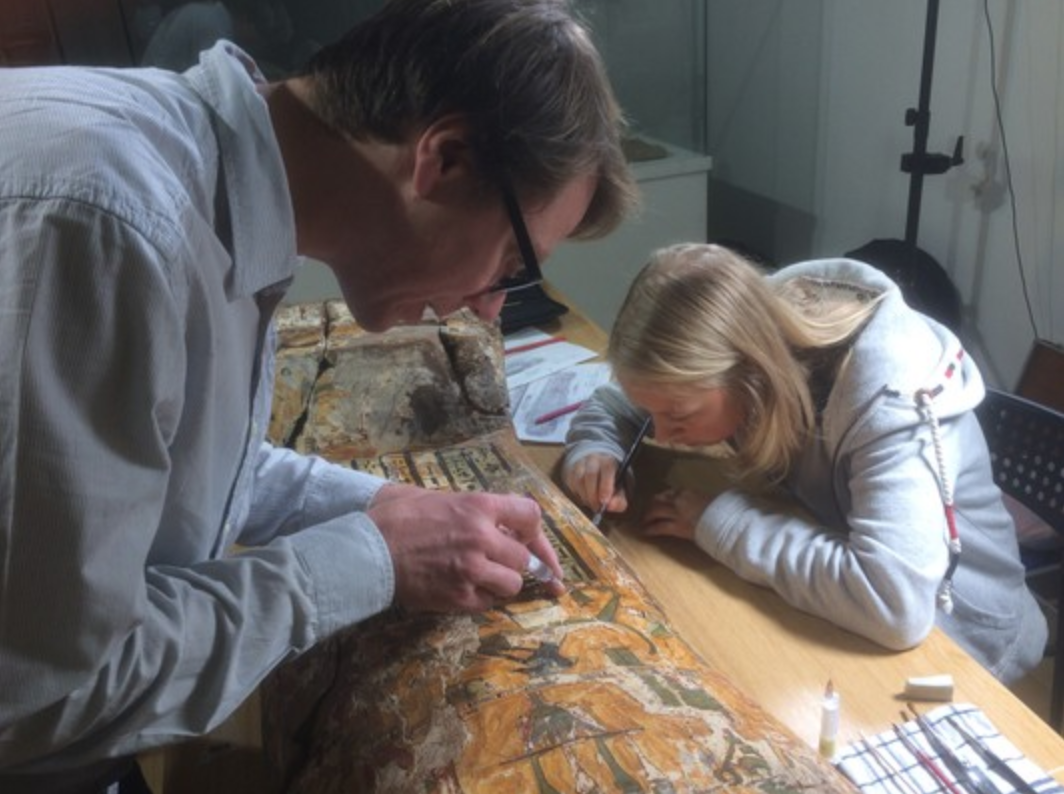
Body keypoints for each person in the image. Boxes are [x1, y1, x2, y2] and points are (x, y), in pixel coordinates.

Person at [0, 0, 637, 790]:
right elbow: (35, 697)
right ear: (444, 157)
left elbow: (179, 458)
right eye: (511, 263)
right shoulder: (109, 225)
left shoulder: (205, 192)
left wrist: (387, 508)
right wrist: (366, 560)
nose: (491, 308)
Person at [562, 243, 1046, 685]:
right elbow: (616, 403)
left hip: (962, 629)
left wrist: (722, 522)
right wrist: (597, 450)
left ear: (752, 374)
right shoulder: (750, 323)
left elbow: (894, 603)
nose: (663, 434)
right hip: (847, 557)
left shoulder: (890, 399)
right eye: (653, 415)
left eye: (679, 416)